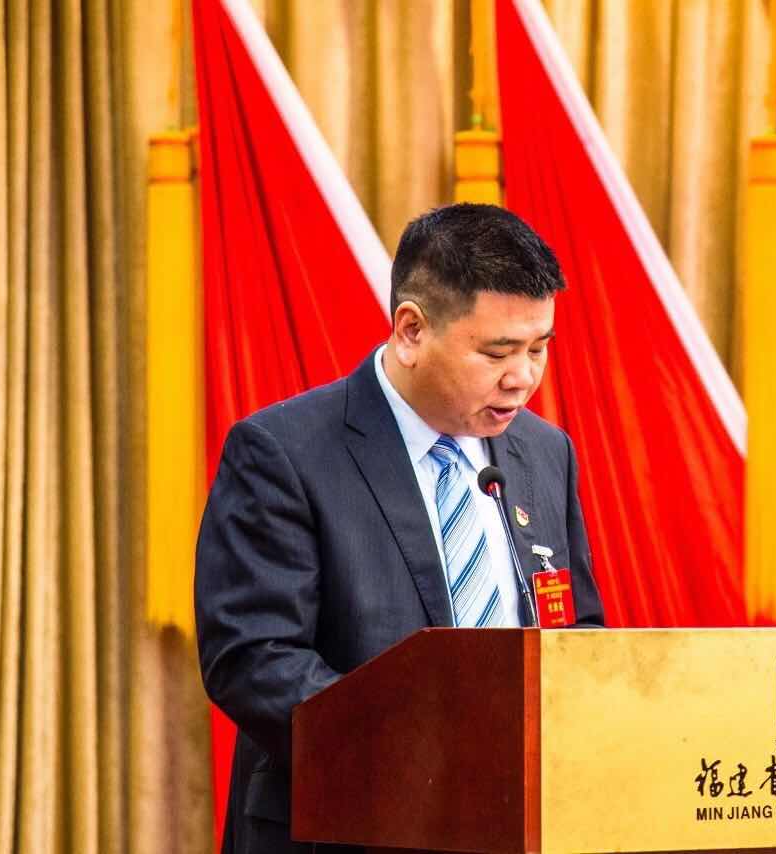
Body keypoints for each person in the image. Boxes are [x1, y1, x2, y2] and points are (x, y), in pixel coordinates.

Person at [194, 203, 606, 854]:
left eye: (538, 348)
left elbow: (576, 632)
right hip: (345, 828)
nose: (523, 377)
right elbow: (254, 659)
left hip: (517, 825)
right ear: (411, 330)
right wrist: (433, 757)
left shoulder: (544, 452)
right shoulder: (284, 452)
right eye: (498, 352)